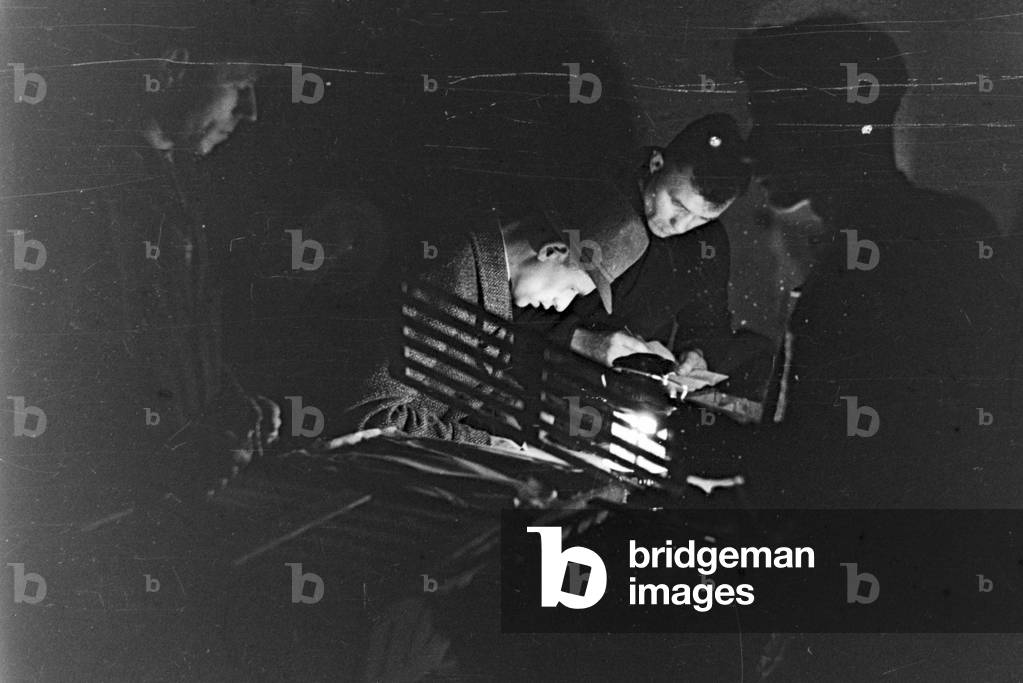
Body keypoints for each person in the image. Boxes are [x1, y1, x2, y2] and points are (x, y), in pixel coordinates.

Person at [686, 14, 1022, 507]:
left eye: (772, 119)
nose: (752, 146)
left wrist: (727, 450)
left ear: (834, 126)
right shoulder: (939, 228)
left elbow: (866, 465)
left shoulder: (904, 251)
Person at [339, 210, 649, 444]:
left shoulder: (487, 279)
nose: (561, 306)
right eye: (570, 289)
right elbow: (371, 417)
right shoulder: (453, 275)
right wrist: (486, 445)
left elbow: (466, 392)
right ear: (552, 251)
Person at [521, 114, 761, 383]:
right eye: (678, 205)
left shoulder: (707, 244)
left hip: (618, 392)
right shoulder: (592, 194)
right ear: (656, 163)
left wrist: (697, 354)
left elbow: (709, 325)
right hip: (526, 369)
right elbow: (508, 283)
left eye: (703, 218)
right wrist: (577, 340)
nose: (680, 225)